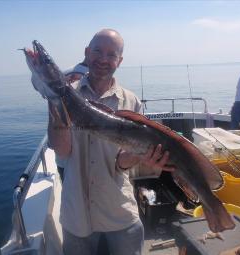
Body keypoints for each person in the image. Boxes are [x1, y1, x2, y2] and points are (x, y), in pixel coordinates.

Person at [46, 29, 174, 255]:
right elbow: (63, 151)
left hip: (119, 211)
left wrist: (142, 155)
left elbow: (122, 164)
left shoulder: (130, 101)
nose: (103, 59)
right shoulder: (67, 94)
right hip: (77, 215)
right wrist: (54, 101)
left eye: (111, 54)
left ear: (119, 60)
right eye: (97, 51)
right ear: (87, 53)